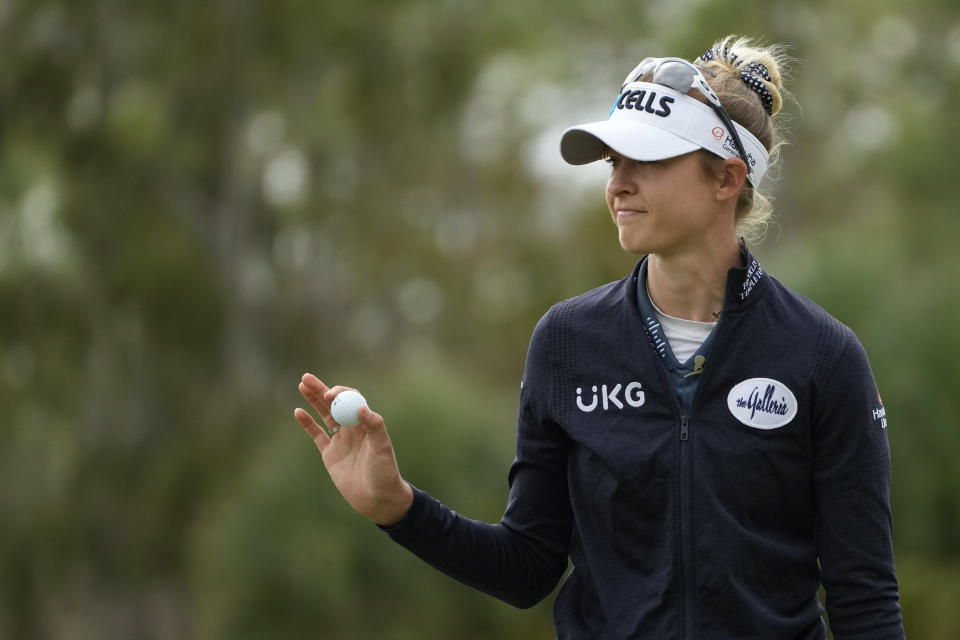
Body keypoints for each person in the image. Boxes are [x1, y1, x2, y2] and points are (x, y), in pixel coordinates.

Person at [294, 35, 906, 639]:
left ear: (725, 179)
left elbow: (865, 600)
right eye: (615, 162)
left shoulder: (823, 357)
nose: (618, 184)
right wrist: (396, 507)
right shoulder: (567, 342)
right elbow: (528, 567)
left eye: (649, 160)